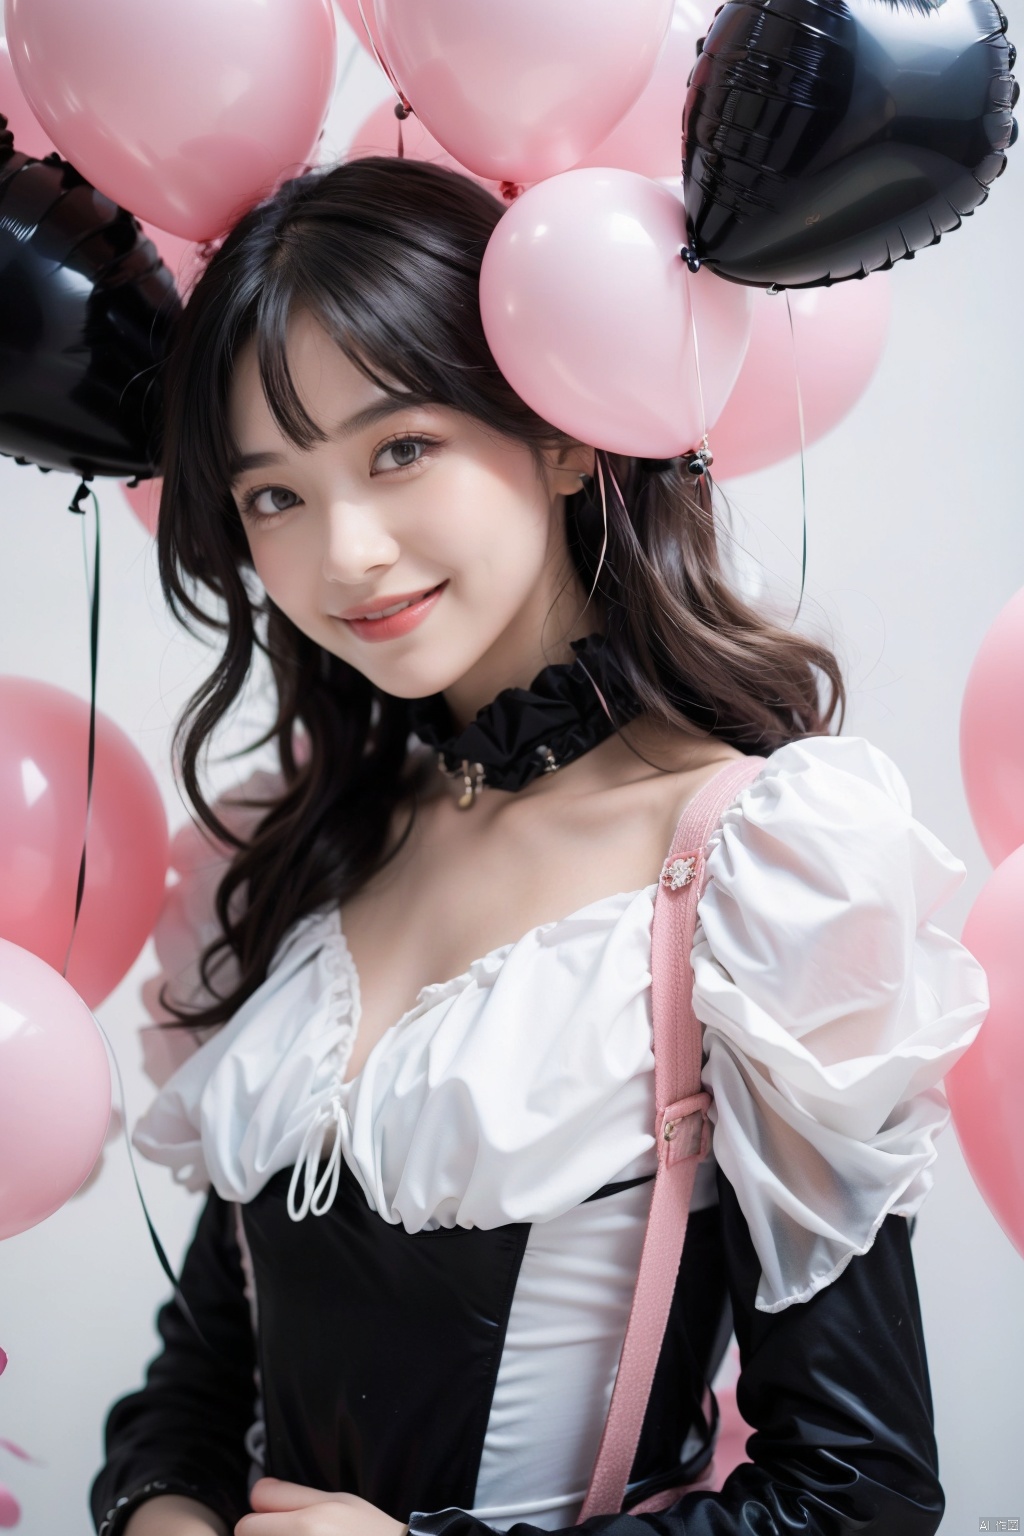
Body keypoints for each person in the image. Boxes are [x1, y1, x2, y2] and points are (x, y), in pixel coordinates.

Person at [91, 157, 987, 1536]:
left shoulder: (756, 870)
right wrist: (162, 1507)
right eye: (275, 496)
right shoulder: (299, 854)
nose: (348, 552)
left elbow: (855, 1495)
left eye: (400, 450)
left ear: (564, 434)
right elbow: (202, 1376)